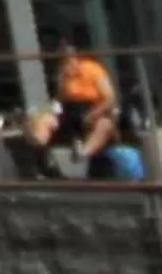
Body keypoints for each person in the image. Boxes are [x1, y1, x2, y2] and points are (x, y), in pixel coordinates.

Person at [43, 30, 119, 174]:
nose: (66, 58)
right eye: (62, 54)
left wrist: (93, 114)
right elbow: (59, 100)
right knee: (45, 122)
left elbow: (109, 98)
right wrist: (61, 81)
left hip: (93, 109)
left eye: (68, 53)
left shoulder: (92, 69)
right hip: (71, 112)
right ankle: (45, 162)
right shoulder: (62, 75)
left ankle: (83, 153)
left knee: (105, 124)